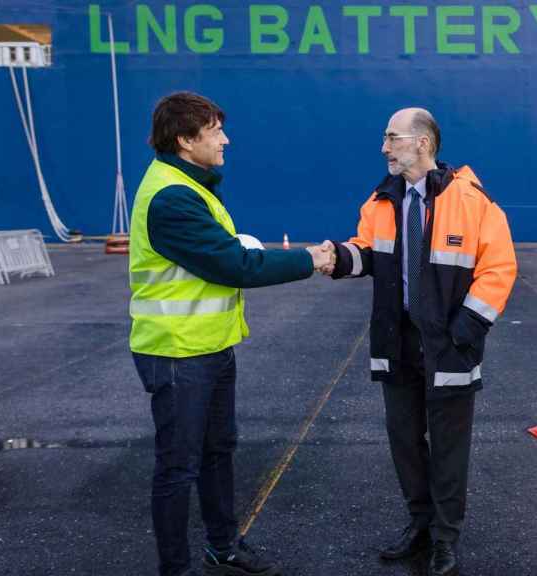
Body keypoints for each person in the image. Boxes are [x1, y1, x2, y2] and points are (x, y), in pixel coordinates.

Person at [129, 91, 331, 576]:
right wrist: (312, 258)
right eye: (216, 131)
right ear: (184, 139)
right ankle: (175, 568)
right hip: (178, 353)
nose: (226, 139)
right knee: (178, 467)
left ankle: (222, 545)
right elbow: (232, 264)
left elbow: (221, 253)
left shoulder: (189, 185)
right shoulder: (171, 197)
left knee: (218, 451)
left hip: (210, 346)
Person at [319, 107, 517, 576]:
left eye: (392, 138)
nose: (384, 147)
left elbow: (499, 270)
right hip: (398, 341)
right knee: (404, 439)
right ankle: (420, 524)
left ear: (422, 143)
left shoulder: (473, 201)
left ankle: (446, 537)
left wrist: (463, 332)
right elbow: (367, 252)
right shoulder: (381, 200)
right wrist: (335, 258)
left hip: (449, 343)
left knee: (449, 446)